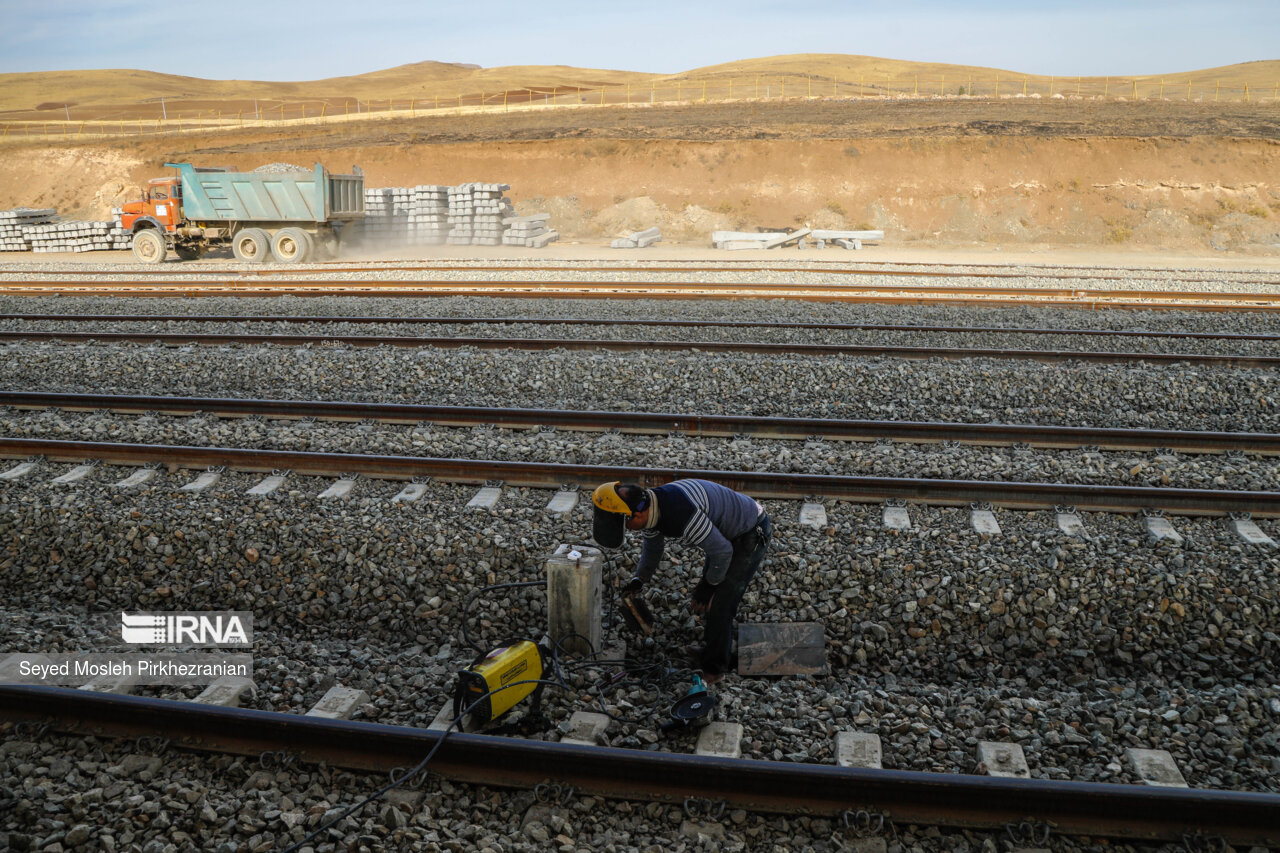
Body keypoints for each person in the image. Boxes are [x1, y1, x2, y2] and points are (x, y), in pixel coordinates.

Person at [591, 479, 772, 682]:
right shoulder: (651, 504)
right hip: (724, 533)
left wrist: (707, 586)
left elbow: (722, 552)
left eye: (626, 522)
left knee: (720, 601)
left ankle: (714, 670)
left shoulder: (682, 515)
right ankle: (711, 650)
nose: (628, 529)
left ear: (639, 514)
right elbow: (653, 547)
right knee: (713, 586)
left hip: (750, 532)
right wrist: (639, 579)